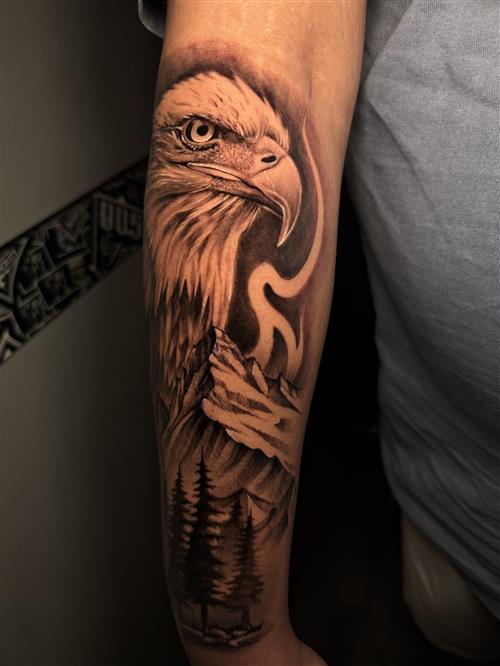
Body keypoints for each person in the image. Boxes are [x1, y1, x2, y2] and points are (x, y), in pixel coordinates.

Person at [139, 1, 500, 664]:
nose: (269, 157)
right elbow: (273, 39)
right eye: (203, 133)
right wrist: (240, 649)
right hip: (460, 521)